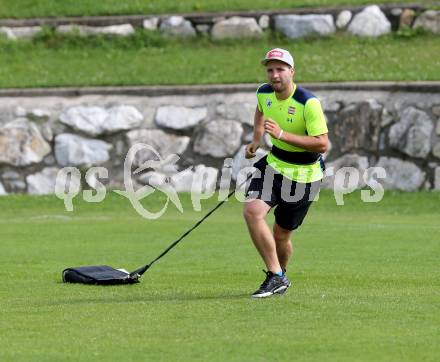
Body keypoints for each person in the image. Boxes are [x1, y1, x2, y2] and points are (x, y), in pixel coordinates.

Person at [243, 48, 329, 298]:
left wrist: (281, 135)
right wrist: (257, 139)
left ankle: (281, 274)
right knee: (252, 210)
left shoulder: (308, 102)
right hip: (274, 164)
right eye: (270, 70)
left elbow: (322, 143)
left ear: (292, 71)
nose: (274, 74)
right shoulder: (264, 92)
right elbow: (261, 109)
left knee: (281, 234)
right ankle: (276, 275)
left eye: (280, 69)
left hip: (304, 176)